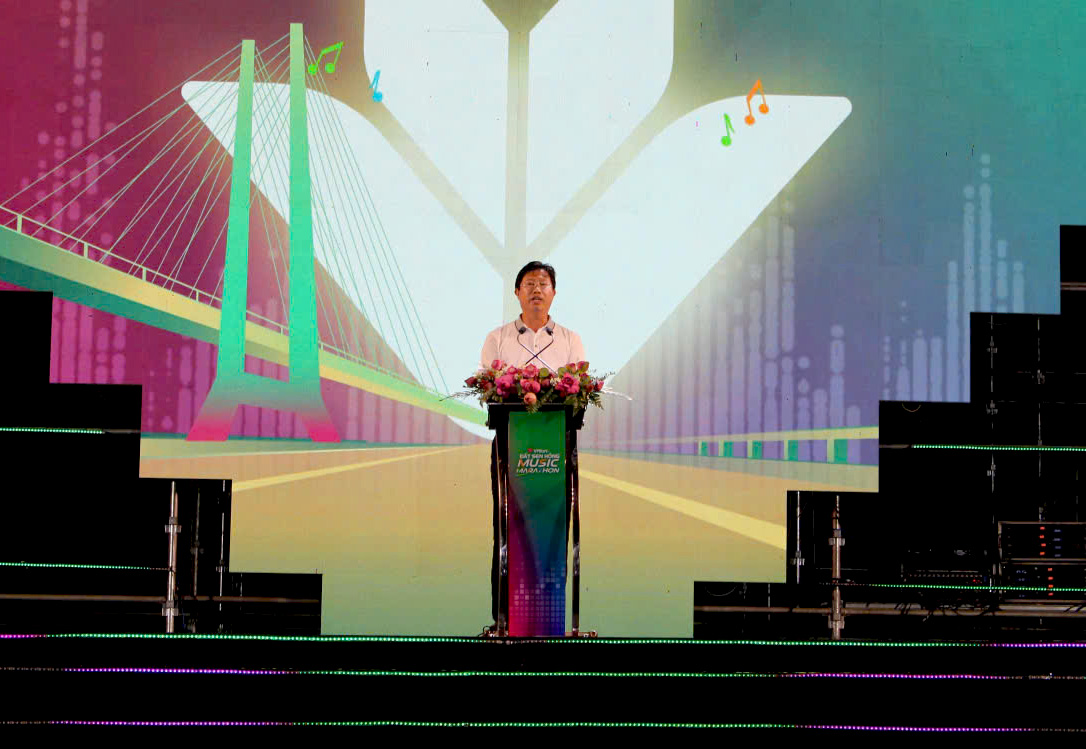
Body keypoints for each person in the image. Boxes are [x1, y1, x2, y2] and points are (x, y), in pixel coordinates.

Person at [479, 261, 585, 634]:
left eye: (543, 283)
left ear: (554, 292)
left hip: (556, 448)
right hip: (511, 448)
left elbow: (578, 392)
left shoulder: (570, 339)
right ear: (517, 292)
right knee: (507, 529)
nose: (536, 289)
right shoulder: (498, 338)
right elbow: (489, 389)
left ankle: (551, 621)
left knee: (554, 530)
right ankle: (504, 621)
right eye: (529, 283)